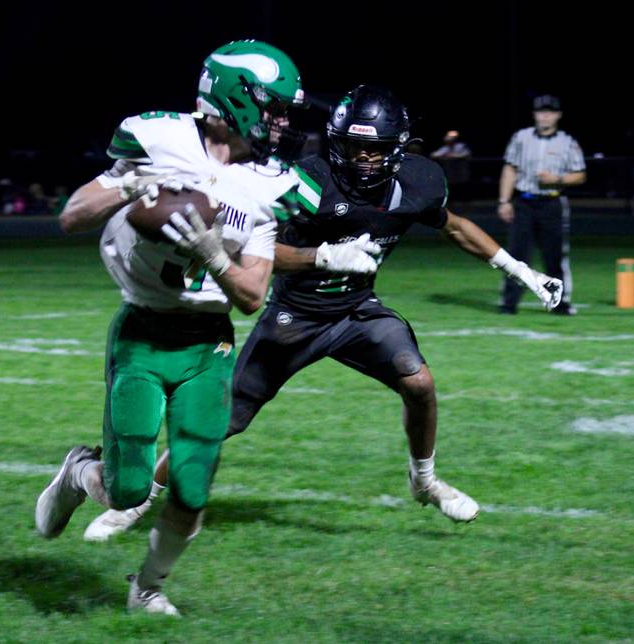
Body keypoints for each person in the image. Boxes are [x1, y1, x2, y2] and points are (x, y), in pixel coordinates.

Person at [84, 85, 563, 541]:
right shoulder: (306, 180)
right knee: (223, 417)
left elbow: (453, 227)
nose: (363, 159)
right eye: (353, 148)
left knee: (419, 382)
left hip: (357, 311)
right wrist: (325, 255)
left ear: (398, 148)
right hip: (297, 314)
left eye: (374, 149)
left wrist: (519, 271)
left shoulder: (418, 181)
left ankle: (425, 481)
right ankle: (136, 500)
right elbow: (263, 257)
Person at [33, 40, 375, 616]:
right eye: (274, 107)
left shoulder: (274, 184)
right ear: (235, 98)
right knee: (128, 490)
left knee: (191, 488)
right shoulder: (156, 138)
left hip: (208, 344)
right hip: (142, 333)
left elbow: (251, 296)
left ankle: (147, 589)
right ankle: (79, 471)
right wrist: (127, 187)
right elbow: (71, 216)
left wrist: (216, 255)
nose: (283, 121)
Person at [496, 95, 586, 315]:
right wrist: (504, 201)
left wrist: (558, 179)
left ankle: (560, 303)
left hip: (552, 203)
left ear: (558, 115)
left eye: (550, 111)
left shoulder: (567, 142)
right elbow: (510, 169)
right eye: (540, 111)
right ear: (534, 114)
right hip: (524, 203)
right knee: (516, 257)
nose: (545, 115)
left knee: (554, 256)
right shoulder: (521, 138)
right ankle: (509, 304)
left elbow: (580, 175)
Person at [430, 130, 472, 204]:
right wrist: (446, 155)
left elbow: (466, 154)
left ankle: (465, 203)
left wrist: (451, 156)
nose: (448, 139)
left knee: (463, 188)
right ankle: (451, 203)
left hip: (461, 172)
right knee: (451, 189)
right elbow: (434, 155)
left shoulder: (461, 146)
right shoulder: (445, 148)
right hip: (450, 173)